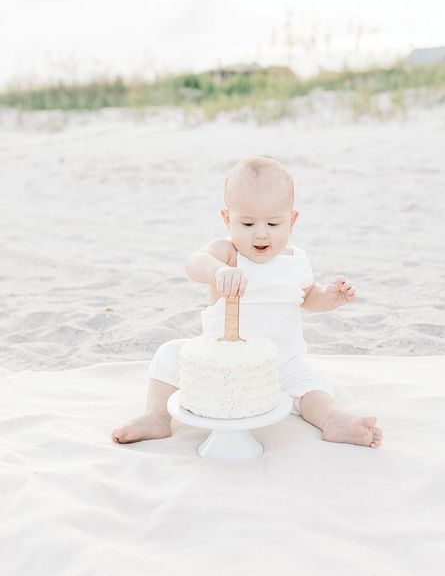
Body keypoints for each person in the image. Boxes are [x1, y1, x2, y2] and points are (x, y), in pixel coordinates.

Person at [111, 156, 383, 448]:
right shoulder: (227, 254)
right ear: (228, 220)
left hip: (281, 362)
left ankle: (334, 421)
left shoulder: (296, 261)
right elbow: (194, 263)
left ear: (291, 221)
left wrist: (329, 298)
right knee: (169, 355)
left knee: (312, 387)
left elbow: (308, 297)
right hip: (220, 363)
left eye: (273, 222)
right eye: (248, 222)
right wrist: (218, 272)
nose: (261, 232)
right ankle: (157, 416)